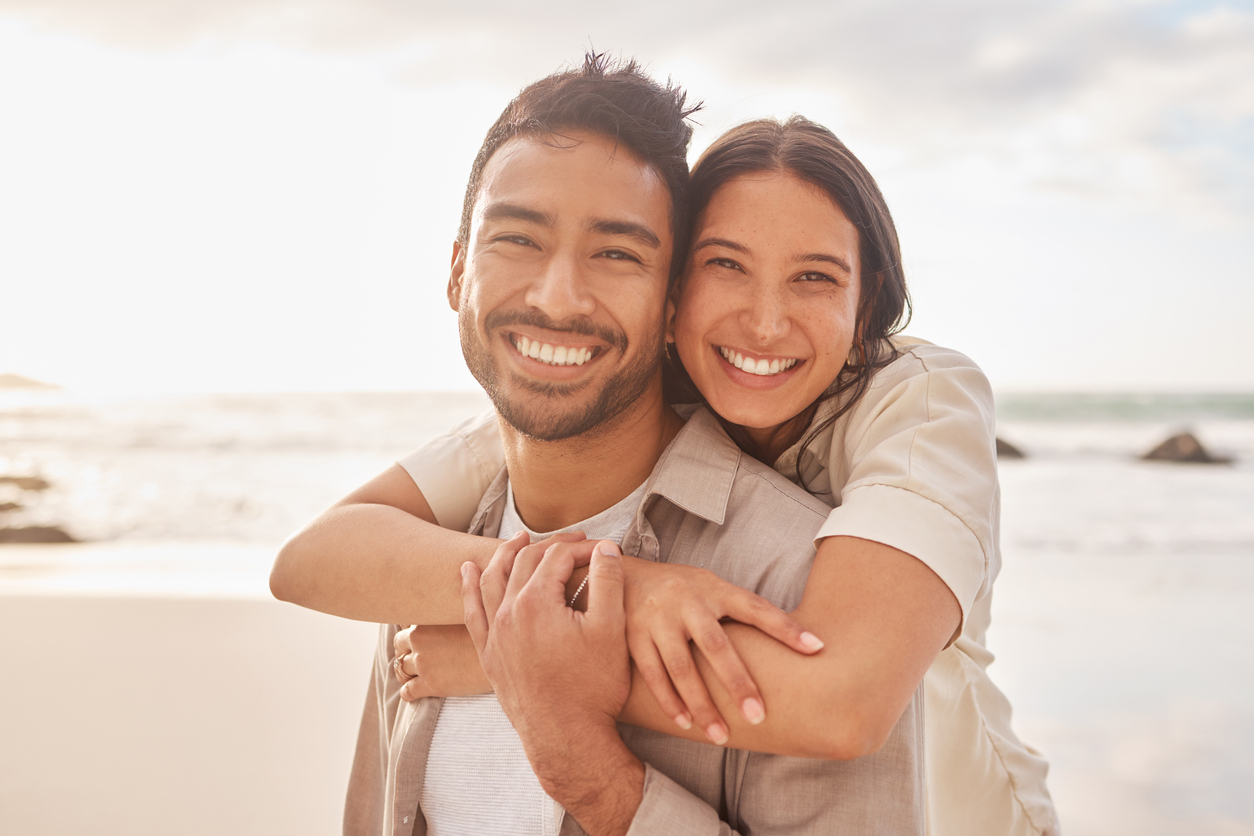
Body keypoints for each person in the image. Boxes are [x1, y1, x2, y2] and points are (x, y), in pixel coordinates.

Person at [273, 69, 1058, 836]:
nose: (762, 322)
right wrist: (617, 589)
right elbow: (313, 557)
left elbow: (843, 703)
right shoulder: (444, 562)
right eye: (727, 265)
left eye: (616, 253)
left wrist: (520, 665)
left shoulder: (900, 434)